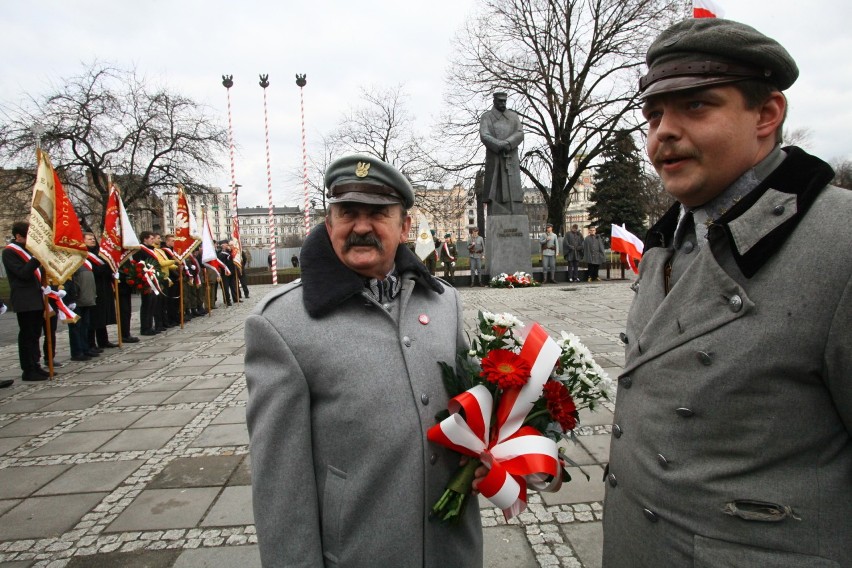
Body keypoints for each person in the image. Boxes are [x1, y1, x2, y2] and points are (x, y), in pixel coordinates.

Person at [602, 18, 852, 568]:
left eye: (695, 106)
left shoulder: (841, 243)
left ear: (766, 115)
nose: (662, 132)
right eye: (654, 113)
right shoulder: (670, 238)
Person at [245, 154, 482, 568]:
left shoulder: (445, 303)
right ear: (329, 221)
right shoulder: (282, 325)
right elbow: (281, 493)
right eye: (347, 212)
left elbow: (473, 415)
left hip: (454, 552)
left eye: (378, 214)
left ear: (405, 226)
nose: (361, 227)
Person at [2, 222, 49, 382]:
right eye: (28, 236)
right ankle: (28, 369)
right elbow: (23, 274)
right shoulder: (10, 252)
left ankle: (35, 365)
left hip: (35, 297)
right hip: (24, 299)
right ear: (18, 237)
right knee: (27, 335)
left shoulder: (26, 251)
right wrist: (36, 258)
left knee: (35, 334)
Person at [480, 91, 524, 215]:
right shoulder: (487, 117)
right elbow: (484, 135)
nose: (503, 103)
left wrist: (508, 143)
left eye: (505, 101)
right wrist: (499, 145)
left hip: (511, 156)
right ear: (494, 101)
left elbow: (520, 133)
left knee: (513, 189)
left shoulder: (513, 116)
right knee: (496, 188)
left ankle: (513, 211)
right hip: (495, 156)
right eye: (500, 101)